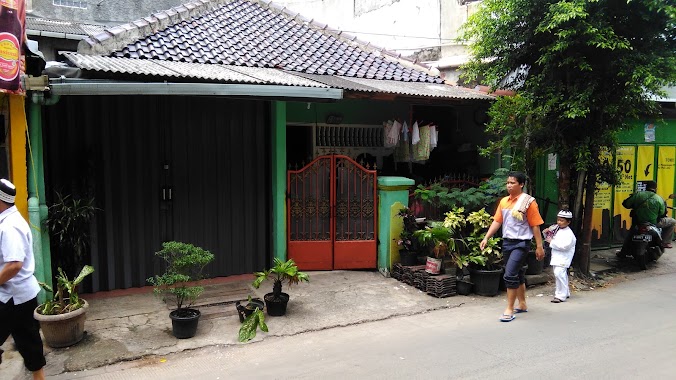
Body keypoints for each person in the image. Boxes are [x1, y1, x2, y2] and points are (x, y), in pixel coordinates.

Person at [480, 171, 544, 322]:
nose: (509, 185)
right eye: (508, 183)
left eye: (512, 183)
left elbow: (535, 226)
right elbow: (497, 221)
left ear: (521, 184)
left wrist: (539, 246)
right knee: (518, 273)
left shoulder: (528, 202)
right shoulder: (503, 202)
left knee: (509, 275)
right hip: (507, 242)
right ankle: (522, 304)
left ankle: (509, 308)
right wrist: (486, 237)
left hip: (521, 243)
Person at [0, 179, 46, 380]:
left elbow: (14, 264)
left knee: (29, 342)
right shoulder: (10, 221)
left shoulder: (10, 226)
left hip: (12, 296)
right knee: (29, 341)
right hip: (18, 295)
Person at [621, 181, 675, 251]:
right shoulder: (659, 199)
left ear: (646, 187)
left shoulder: (637, 195)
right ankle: (665, 242)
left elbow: (626, 204)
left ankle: (623, 252)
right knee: (673, 221)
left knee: (630, 235)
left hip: (638, 222)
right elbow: (662, 214)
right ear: (656, 189)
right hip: (654, 223)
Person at [545, 210, 577, 303]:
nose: (559, 222)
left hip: (564, 257)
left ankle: (560, 295)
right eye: (558, 220)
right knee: (560, 274)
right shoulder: (557, 229)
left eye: (562, 221)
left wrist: (552, 242)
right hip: (556, 256)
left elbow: (565, 246)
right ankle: (565, 292)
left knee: (559, 273)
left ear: (568, 222)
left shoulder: (569, 234)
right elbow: (548, 235)